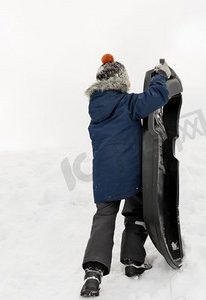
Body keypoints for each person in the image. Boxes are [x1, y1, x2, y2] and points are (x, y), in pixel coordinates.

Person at [80, 54, 171, 297]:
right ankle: (132, 261)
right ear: (122, 81)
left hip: (104, 177)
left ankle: (93, 272)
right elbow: (157, 97)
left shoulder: (95, 111)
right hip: (131, 173)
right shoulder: (127, 104)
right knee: (136, 212)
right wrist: (160, 76)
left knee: (104, 219)